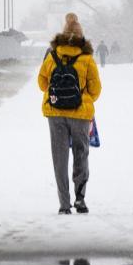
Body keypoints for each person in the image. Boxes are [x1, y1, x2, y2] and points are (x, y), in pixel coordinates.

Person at [37, 13, 102, 215]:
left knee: (60, 157)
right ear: (81, 36)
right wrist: (82, 99)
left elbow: (42, 83)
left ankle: (64, 204)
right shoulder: (86, 58)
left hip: (55, 114)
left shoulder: (52, 55)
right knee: (81, 155)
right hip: (80, 115)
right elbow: (96, 89)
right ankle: (80, 199)